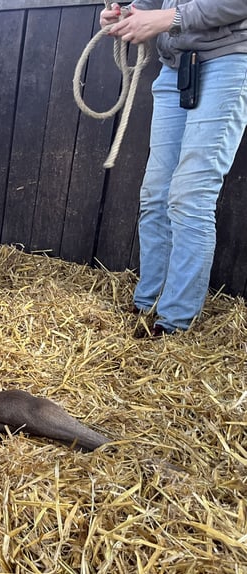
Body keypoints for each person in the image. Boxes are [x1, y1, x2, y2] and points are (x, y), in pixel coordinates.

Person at [101, 1, 247, 336]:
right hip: (175, 66)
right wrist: (128, 12)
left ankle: (174, 322)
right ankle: (148, 301)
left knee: (190, 197)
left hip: (228, 61)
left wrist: (170, 18)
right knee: (155, 195)